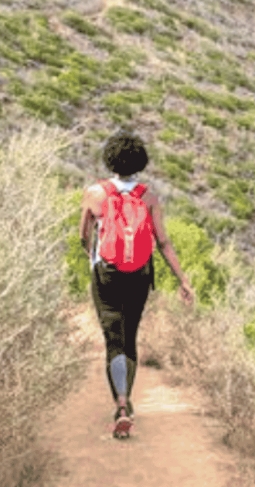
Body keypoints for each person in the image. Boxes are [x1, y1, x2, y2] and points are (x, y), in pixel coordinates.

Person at [79, 129, 195, 439]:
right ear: (139, 162)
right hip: (139, 274)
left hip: (106, 273)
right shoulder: (149, 197)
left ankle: (120, 405)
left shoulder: (95, 194)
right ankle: (126, 403)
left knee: (113, 338)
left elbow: (83, 236)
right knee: (129, 336)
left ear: (110, 160)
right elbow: (164, 243)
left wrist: (95, 258)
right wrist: (183, 280)